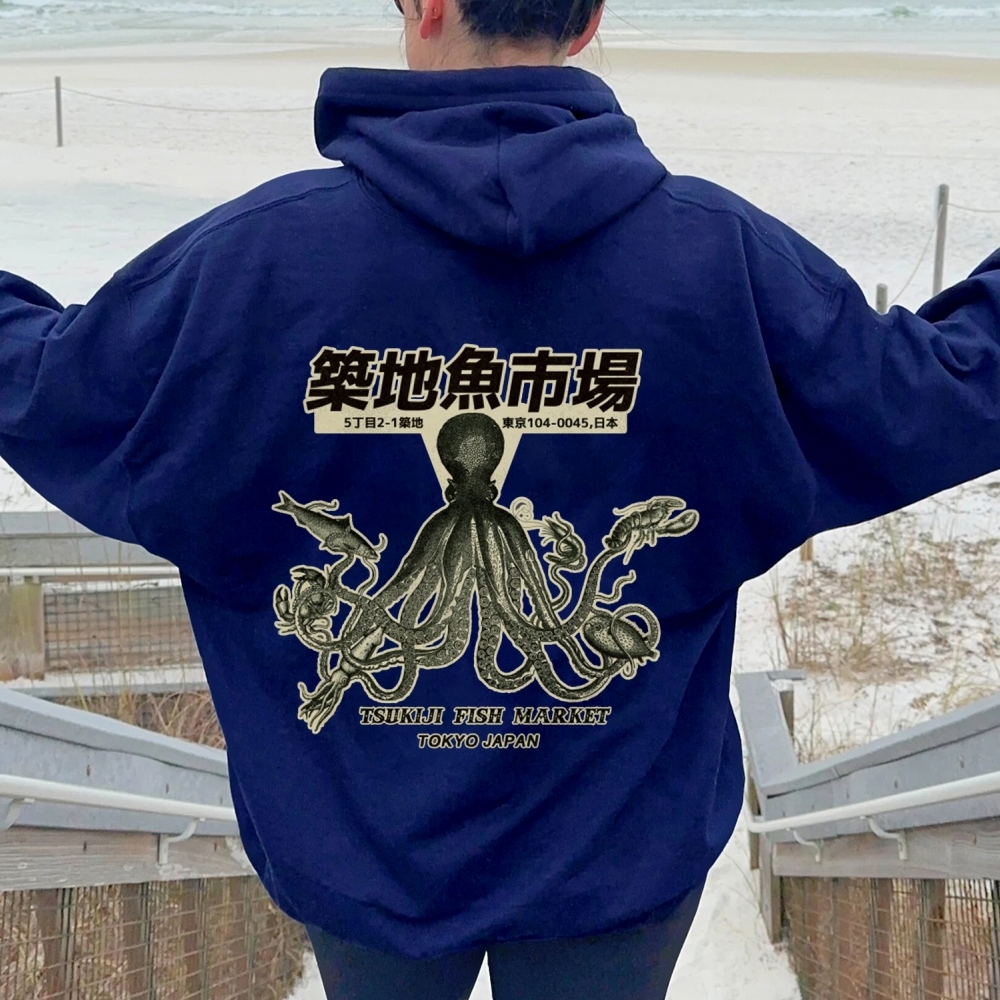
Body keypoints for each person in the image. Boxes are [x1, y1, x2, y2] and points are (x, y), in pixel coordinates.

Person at [2, 0, 1000, 995]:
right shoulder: (721, 264)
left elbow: (49, 389)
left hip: (360, 856)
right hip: (619, 854)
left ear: (428, 5)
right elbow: (942, 392)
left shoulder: (249, 264)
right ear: (588, 18)